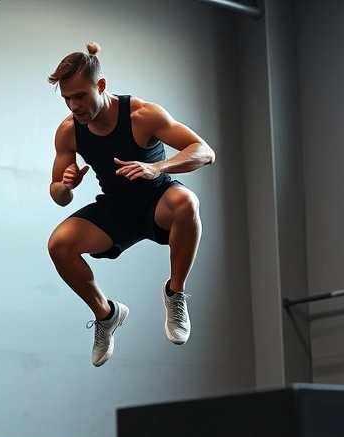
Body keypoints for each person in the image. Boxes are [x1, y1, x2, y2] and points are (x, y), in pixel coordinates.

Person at [45, 42, 216, 367]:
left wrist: (158, 167)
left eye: (80, 96)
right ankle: (106, 315)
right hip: (116, 208)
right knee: (59, 244)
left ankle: (175, 293)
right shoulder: (69, 131)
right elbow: (57, 195)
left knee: (187, 202)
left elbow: (205, 151)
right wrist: (65, 185)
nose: (73, 106)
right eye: (67, 99)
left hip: (157, 199)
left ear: (101, 85)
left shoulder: (142, 115)